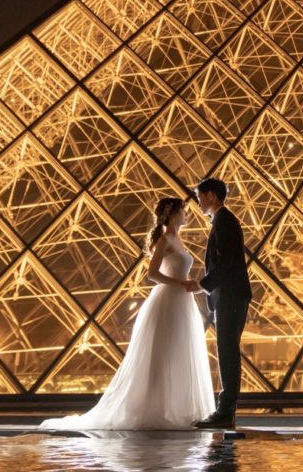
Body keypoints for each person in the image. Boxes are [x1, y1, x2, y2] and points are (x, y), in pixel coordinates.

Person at [42, 197, 215, 430]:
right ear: (173, 214)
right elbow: (152, 274)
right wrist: (180, 284)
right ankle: (158, 408)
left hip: (182, 301)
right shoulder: (165, 239)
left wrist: (183, 285)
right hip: (170, 300)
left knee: (179, 354)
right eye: (184, 211)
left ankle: (176, 407)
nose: (187, 215)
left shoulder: (177, 239)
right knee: (164, 355)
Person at [189, 178, 253, 429]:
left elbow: (225, 262)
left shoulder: (225, 221)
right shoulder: (223, 220)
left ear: (212, 196)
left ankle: (225, 410)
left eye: (199, 196)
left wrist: (201, 284)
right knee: (226, 351)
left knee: (227, 351)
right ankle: (225, 409)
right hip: (228, 295)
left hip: (231, 296)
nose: (198, 201)